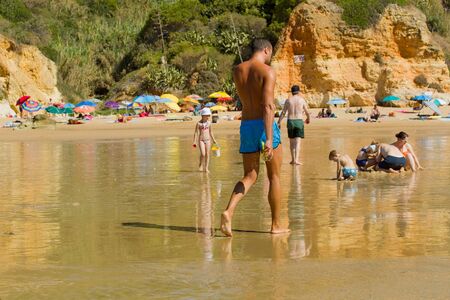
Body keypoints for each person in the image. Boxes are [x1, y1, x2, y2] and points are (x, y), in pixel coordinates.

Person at [220, 39, 289, 237]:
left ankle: (229, 211)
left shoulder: (237, 70)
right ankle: (276, 225)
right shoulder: (267, 71)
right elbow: (268, 107)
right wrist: (268, 138)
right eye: (271, 54)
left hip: (246, 126)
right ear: (266, 50)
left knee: (250, 175)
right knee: (274, 176)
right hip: (263, 126)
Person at [278, 85, 310, 165]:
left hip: (290, 121)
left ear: (291, 92)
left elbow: (283, 112)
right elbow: (307, 112)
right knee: (298, 142)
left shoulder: (288, 100)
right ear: (298, 91)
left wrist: (279, 122)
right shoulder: (301, 100)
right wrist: (308, 119)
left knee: (291, 142)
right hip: (299, 121)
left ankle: (293, 160)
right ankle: (296, 160)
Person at [192, 108, 217, 173]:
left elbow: (211, 132)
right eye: (207, 115)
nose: (208, 117)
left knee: (207, 154)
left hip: (208, 140)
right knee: (203, 154)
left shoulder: (209, 123)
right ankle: (200, 164)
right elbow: (196, 133)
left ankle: (206, 168)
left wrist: (214, 140)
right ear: (203, 115)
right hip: (201, 140)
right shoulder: (198, 123)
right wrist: (194, 141)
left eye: (209, 115)